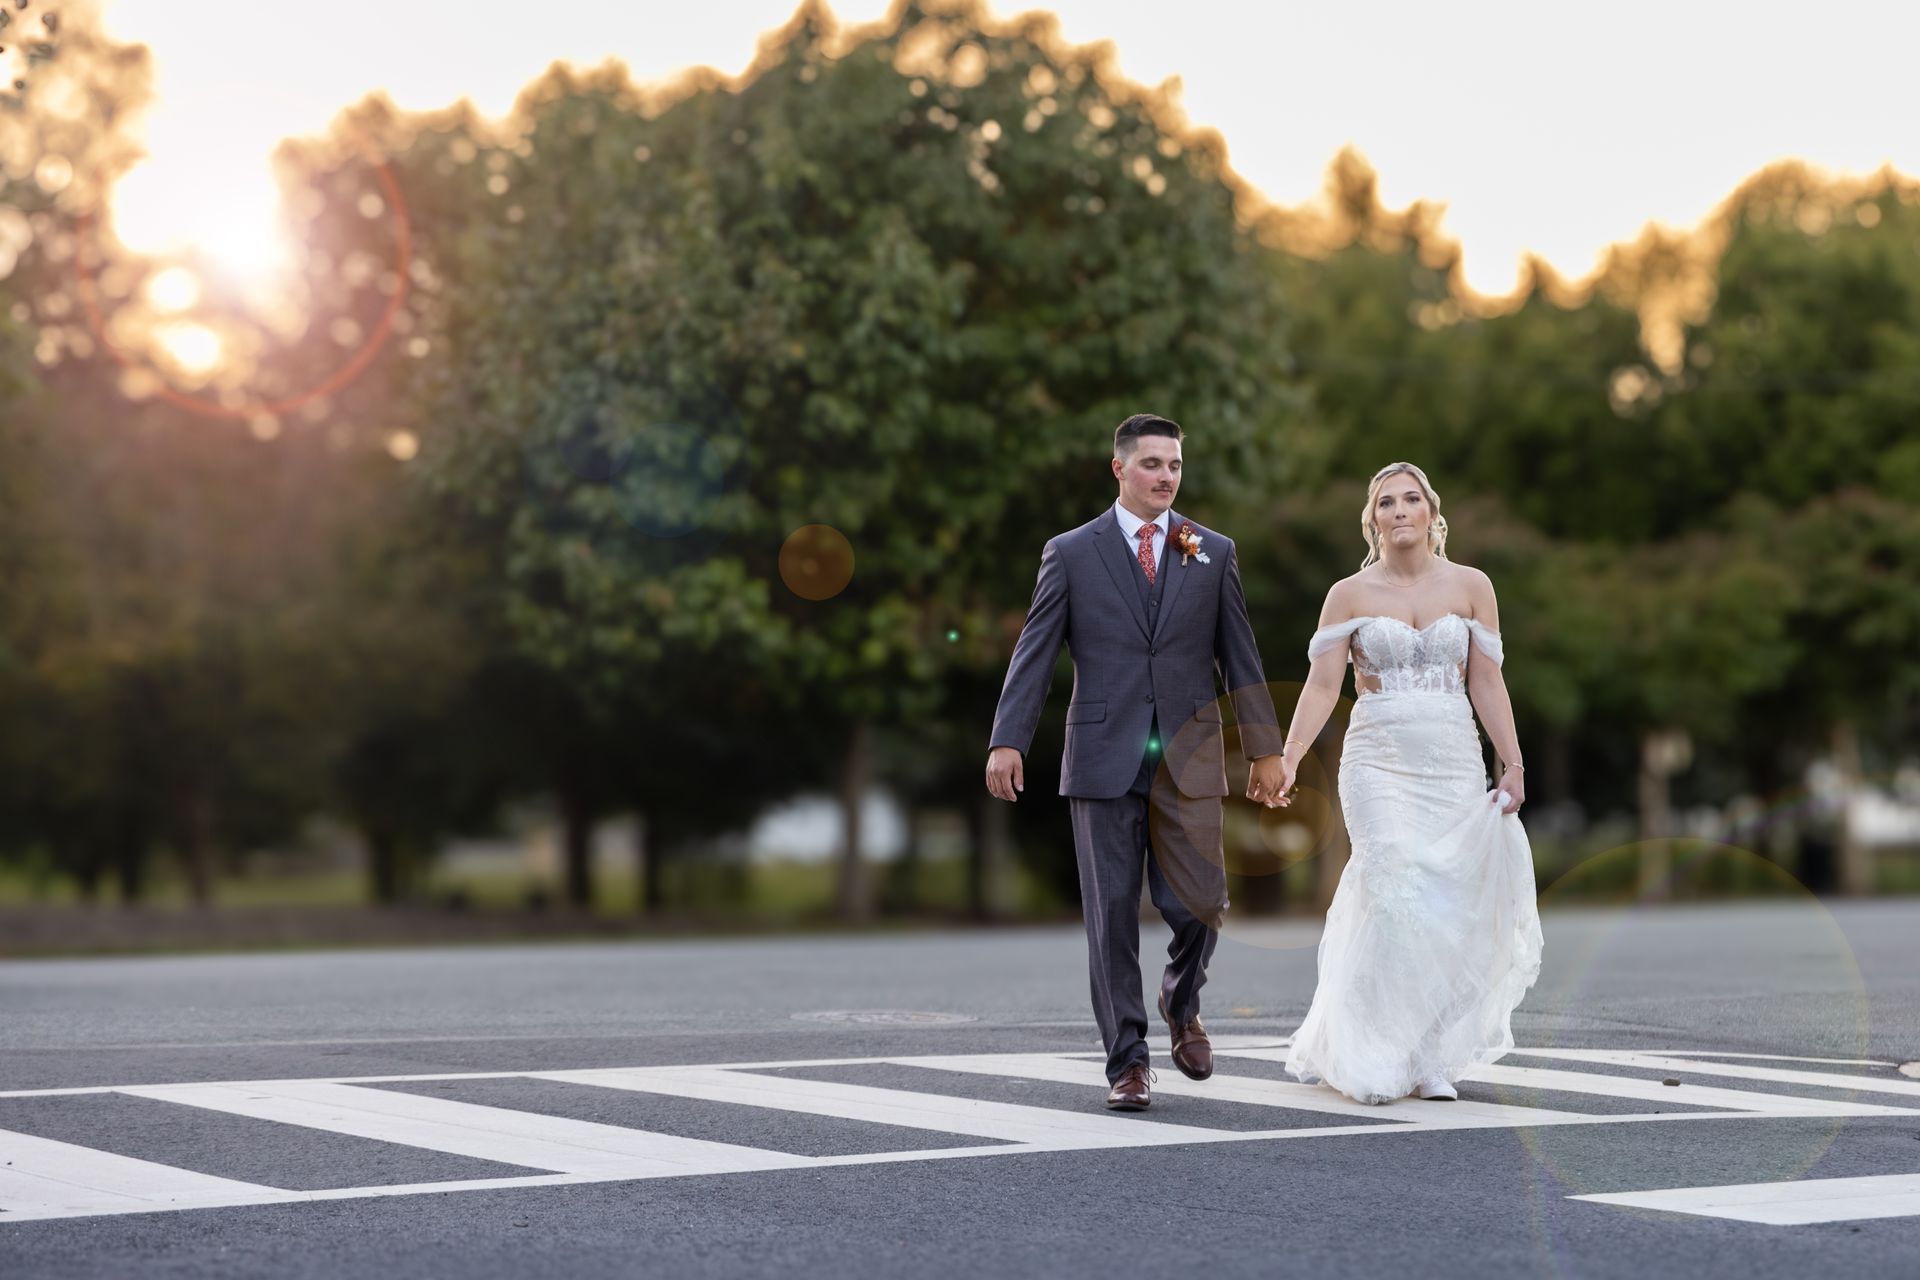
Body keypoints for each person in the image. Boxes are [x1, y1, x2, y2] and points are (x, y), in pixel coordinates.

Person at [985, 413, 1287, 1110]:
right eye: (1152, 464)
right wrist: (1009, 738)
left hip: (1192, 756)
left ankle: (1181, 1001)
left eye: (1174, 466)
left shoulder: (1211, 550)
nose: (1165, 477)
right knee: (1112, 916)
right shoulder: (1071, 552)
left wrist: (1265, 750)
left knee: (1202, 904)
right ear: (1118, 469)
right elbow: (1035, 650)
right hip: (1100, 756)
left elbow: (1240, 655)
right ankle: (1128, 1062)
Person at [1272, 462, 1543, 1104]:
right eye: (1385, 502)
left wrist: (1514, 762)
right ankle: (1377, 1051)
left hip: (1452, 761)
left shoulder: (1474, 586)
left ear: (1430, 513)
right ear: (1373, 519)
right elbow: (1320, 684)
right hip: (1377, 762)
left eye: (1409, 500)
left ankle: (1429, 1057)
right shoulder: (1349, 594)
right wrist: (1288, 756)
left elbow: (1486, 680)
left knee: (1448, 909)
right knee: (1395, 893)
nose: (1398, 511)